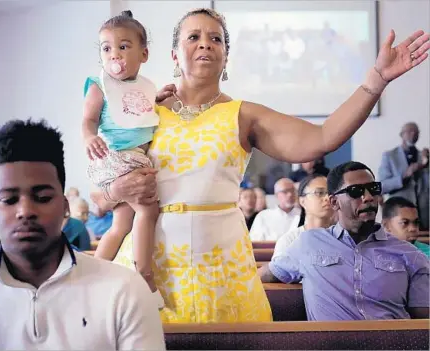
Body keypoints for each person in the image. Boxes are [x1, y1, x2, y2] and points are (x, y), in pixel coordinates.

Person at [92, 7, 429, 323]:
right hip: (150, 258)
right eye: (193, 37)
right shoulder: (143, 110)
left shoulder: (244, 114)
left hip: (220, 262)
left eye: (216, 38)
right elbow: (102, 194)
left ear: (225, 55)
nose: (205, 44)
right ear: (174, 55)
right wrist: (116, 190)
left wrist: (375, 81)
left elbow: (323, 137)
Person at [0, 120, 165, 350]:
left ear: (65, 207)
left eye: (42, 197)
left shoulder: (124, 291)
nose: (25, 211)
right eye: (9, 200)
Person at [261, 162, 429, 321]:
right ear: (334, 202)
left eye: (373, 189)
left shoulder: (410, 254)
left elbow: (423, 322)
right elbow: (267, 274)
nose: (368, 197)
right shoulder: (309, 243)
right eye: (356, 191)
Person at [82, 11, 162, 305]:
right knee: (148, 212)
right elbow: (89, 120)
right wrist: (89, 137)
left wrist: (160, 97)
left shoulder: (146, 87)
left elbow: (145, 111)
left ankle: (91, 275)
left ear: (144, 54)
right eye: (106, 48)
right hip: (117, 156)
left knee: (121, 225)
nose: (114, 54)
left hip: (125, 158)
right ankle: (145, 276)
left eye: (123, 46)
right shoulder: (99, 84)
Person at [268, 174, 334, 259]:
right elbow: (278, 271)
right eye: (319, 193)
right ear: (302, 201)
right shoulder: (290, 241)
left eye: (331, 193)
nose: (327, 198)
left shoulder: (345, 238)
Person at [378, 122, 429, 230]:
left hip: (424, 217)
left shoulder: (423, 157)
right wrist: (405, 175)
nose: (413, 134)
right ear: (401, 134)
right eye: (410, 131)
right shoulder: (389, 156)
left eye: (416, 132)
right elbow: (382, 186)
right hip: (399, 217)